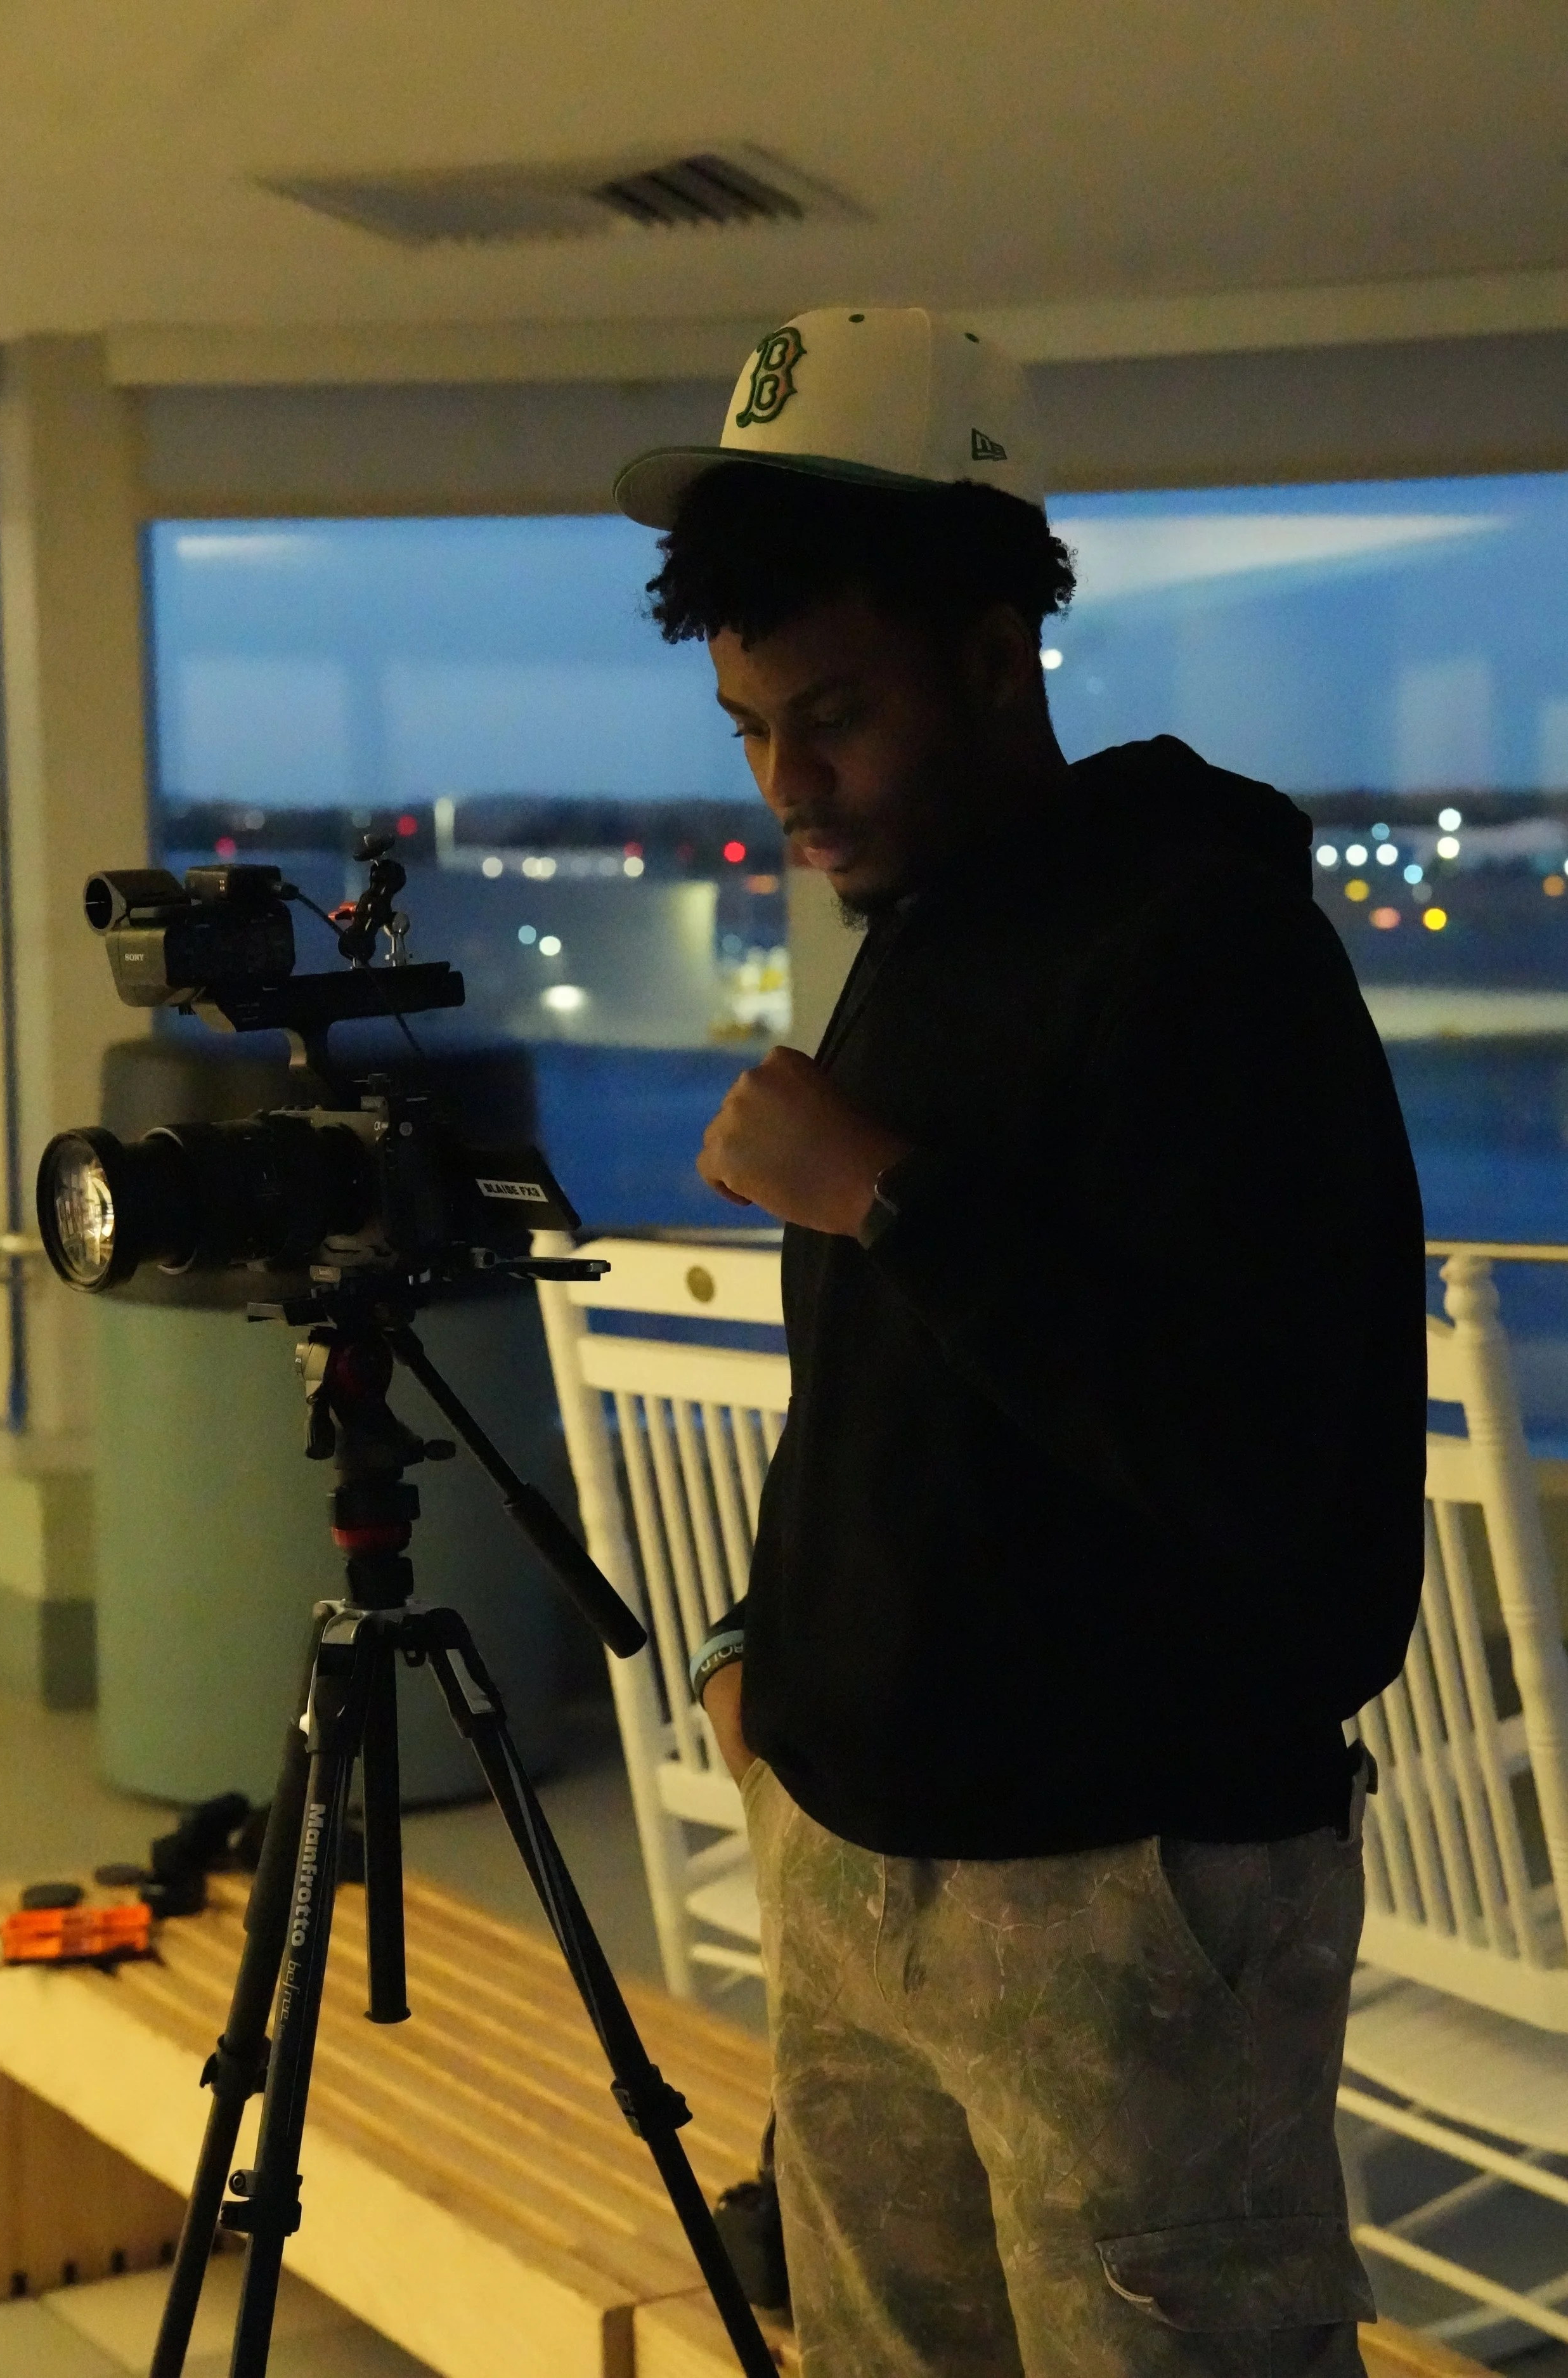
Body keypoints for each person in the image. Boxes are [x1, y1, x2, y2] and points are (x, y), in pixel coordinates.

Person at [614, 306, 1427, 2378]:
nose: (787, 786)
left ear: (995, 657)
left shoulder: (1206, 947)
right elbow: (900, 1396)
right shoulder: (926, 937)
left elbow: (1258, 1455)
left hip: (1121, 1889)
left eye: (834, 718)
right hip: (857, 1847)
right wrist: (766, 1651)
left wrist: (888, 1193)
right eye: (748, 729)